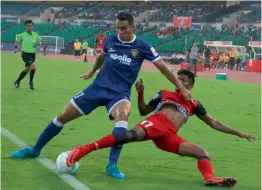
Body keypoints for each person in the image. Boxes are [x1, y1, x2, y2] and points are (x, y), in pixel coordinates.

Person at [11, 12, 191, 179]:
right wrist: (92, 71)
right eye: (117, 28)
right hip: (97, 87)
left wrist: (180, 88)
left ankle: (112, 165)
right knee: (62, 116)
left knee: (123, 116)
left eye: (124, 28)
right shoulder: (111, 40)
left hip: (119, 94)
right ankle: (35, 149)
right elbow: (101, 57)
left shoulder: (142, 46)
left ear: (133, 27)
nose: (120, 31)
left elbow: (162, 67)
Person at [66, 69, 256, 187]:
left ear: (192, 84)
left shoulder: (195, 104)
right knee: (128, 136)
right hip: (156, 122)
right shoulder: (165, 93)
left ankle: (210, 178)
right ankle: (82, 149)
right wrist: (140, 94)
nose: (180, 82)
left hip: (169, 135)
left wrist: (239, 133)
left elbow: (214, 123)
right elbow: (142, 111)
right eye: (178, 79)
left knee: (201, 152)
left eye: (184, 80)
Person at [14, 20, 41, 90]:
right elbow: (17, 41)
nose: (29, 27)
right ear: (25, 27)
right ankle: (31, 82)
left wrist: (36, 44)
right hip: (25, 54)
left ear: (32, 26)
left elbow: (39, 41)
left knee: (27, 69)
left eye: (30, 26)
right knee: (34, 66)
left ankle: (17, 81)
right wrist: (16, 48)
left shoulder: (35, 34)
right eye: (28, 26)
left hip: (32, 54)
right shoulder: (22, 35)